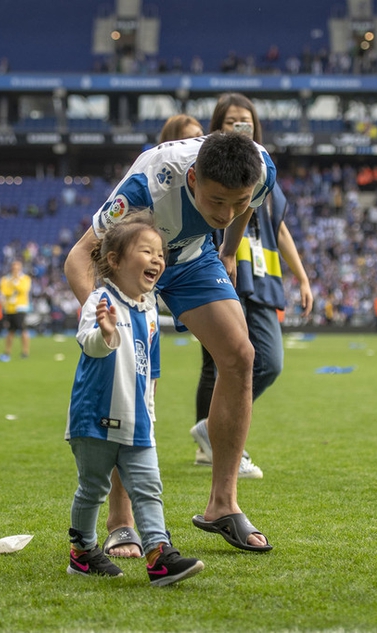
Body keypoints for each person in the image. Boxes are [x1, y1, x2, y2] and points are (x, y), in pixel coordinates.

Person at [65, 131, 275, 553]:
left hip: (192, 257)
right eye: (217, 201)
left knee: (240, 355)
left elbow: (245, 210)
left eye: (238, 201)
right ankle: (121, 520)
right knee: (135, 380)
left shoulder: (263, 170)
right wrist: (104, 313)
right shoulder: (148, 187)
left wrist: (230, 251)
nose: (227, 212)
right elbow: (79, 258)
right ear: (193, 178)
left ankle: (222, 504)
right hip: (133, 261)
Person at [65, 213, 204, 586]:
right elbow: (90, 344)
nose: (158, 260)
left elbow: (150, 367)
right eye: (147, 251)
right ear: (115, 260)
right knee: (93, 488)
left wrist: (151, 411)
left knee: (148, 487)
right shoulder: (100, 299)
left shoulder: (150, 307)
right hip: (94, 418)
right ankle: (82, 552)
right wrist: (106, 334)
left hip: (138, 420)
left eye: (161, 253)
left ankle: (159, 555)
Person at [190, 93, 314, 478]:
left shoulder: (263, 173)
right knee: (217, 363)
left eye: (246, 121)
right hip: (223, 267)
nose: (240, 126)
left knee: (266, 361)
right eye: (231, 122)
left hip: (261, 275)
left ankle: (210, 431)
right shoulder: (211, 169)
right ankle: (211, 444)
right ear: (217, 128)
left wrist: (302, 275)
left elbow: (279, 227)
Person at [0, 259, 31, 362]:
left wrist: (15, 284)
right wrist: (13, 286)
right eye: (14, 268)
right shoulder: (6, 279)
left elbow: (23, 290)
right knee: (10, 330)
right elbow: (4, 292)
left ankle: (25, 351)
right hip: (9, 308)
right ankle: (7, 351)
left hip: (20, 307)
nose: (15, 270)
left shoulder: (25, 278)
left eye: (17, 268)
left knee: (23, 330)